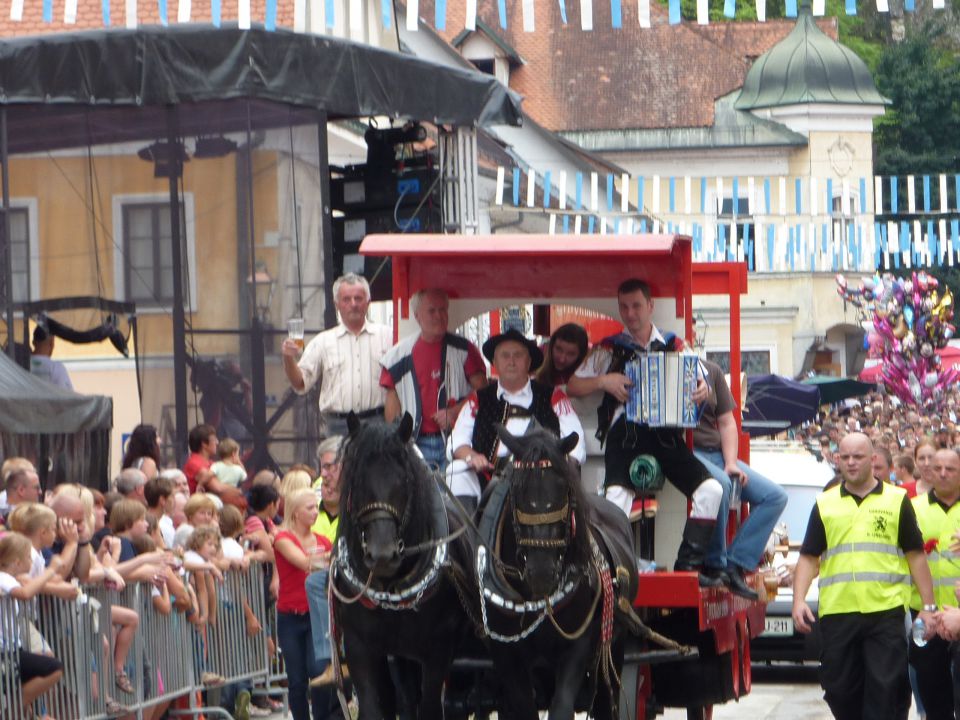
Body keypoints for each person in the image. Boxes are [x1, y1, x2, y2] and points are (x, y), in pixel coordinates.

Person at [567, 278, 721, 586]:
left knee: (712, 491)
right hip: (625, 433)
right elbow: (573, 385)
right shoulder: (609, 349)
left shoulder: (675, 345)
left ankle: (687, 568)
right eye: (624, 307)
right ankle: (613, 570)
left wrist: (702, 389)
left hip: (664, 434)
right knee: (615, 499)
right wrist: (604, 382)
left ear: (650, 306)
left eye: (636, 306)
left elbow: (702, 379)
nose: (630, 313)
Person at [792, 432, 938, 720]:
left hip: (885, 613)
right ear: (837, 460)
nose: (851, 463)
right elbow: (809, 557)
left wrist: (927, 607)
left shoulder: (897, 501)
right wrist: (798, 600)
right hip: (838, 612)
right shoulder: (825, 503)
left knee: (885, 691)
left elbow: (916, 556)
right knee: (839, 689)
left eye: (858, 456)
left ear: (872, 459)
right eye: (845, 457)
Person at [449, 329, 586, 512]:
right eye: (505, 356)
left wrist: (560, 465)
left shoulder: (553, 396)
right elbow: (457, 441)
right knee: (456, 471)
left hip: (541, 478)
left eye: (518, 355)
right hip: (491, 479)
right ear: (495, 362)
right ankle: (467, 539)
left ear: (529, 362)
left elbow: (576, 441)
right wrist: (473, 457)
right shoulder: (478, 400)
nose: (511, 361)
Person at [694, 358, 787, 599]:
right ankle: (715, 563)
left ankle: (734, 563)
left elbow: (727, 422)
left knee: (775, 496)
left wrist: (731, 462)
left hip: (716, 453)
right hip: (688, 451)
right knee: (721, 486)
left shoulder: (711, 370)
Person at [381, 288, 487, 471]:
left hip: (459, 440)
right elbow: (392, 411)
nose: (439, 316)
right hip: (416, 444)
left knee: (456, 496)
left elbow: (485, 394)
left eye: (443, 310)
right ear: (417, 316)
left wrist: (454, 412)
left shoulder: (465, 349)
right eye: (432, 311)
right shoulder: (397, 358)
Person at [282, 273, 392, 439]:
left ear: (368, 302)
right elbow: (300, 383)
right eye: (346, 299)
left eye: (358, 298)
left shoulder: (388, 336)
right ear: (337, 305)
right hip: (338, 426)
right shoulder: (323, 342)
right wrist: (288, 358)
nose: (353, 304)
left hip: (377, 423)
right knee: (338, 466)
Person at [274, 488, 337, 720]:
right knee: (297, 680)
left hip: (315, 617)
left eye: (316, 507)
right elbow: (303, 562)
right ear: (295, 512)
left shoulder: (324, 540)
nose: (315, 512)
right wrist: (327, 559)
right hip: (289, 616)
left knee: (319, 673)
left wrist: (325, 558)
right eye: (310, 508)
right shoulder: (283, 538)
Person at [908, 447, 960, 720]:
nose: (942, 473)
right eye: (937, 468)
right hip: (924, 612)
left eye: (950, 469)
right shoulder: (913, 508)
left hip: (958, 614)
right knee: (928, 685)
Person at [307, 436, 343, 687]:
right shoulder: (316, 492)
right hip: (336, 568)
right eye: (323, 467)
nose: (325, 475)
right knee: (315, 583)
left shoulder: (360, 490)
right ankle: (330, 658)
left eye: (330, 466)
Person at [536, 323, 589, 388]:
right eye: (558, 349)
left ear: (581, 355)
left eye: (571, 354)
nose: (562, 359)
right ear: (551, 346)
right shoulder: (535, 357)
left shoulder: (588, 371)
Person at [29, 324, 73, 391]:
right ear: (52, 343)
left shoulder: (21, 364)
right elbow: (67, 396)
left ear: (33, 342)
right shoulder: (56, 367)